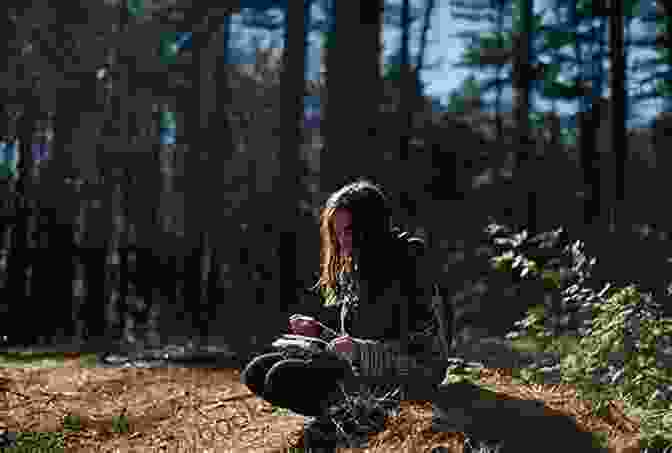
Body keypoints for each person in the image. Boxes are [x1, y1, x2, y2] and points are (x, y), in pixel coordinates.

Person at [240, 178, 453, 448]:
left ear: (372, 227)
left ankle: (359, 418)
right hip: (364, 373)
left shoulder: (410, 263)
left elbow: (426, 359)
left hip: (405, 381)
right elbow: (354, 341)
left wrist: (358, 351)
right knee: (257, 371)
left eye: (349, 231)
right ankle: (345, 416)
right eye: (337, 233)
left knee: (281, 377)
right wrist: (320, 333)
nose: (342, 243)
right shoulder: (357, 270)